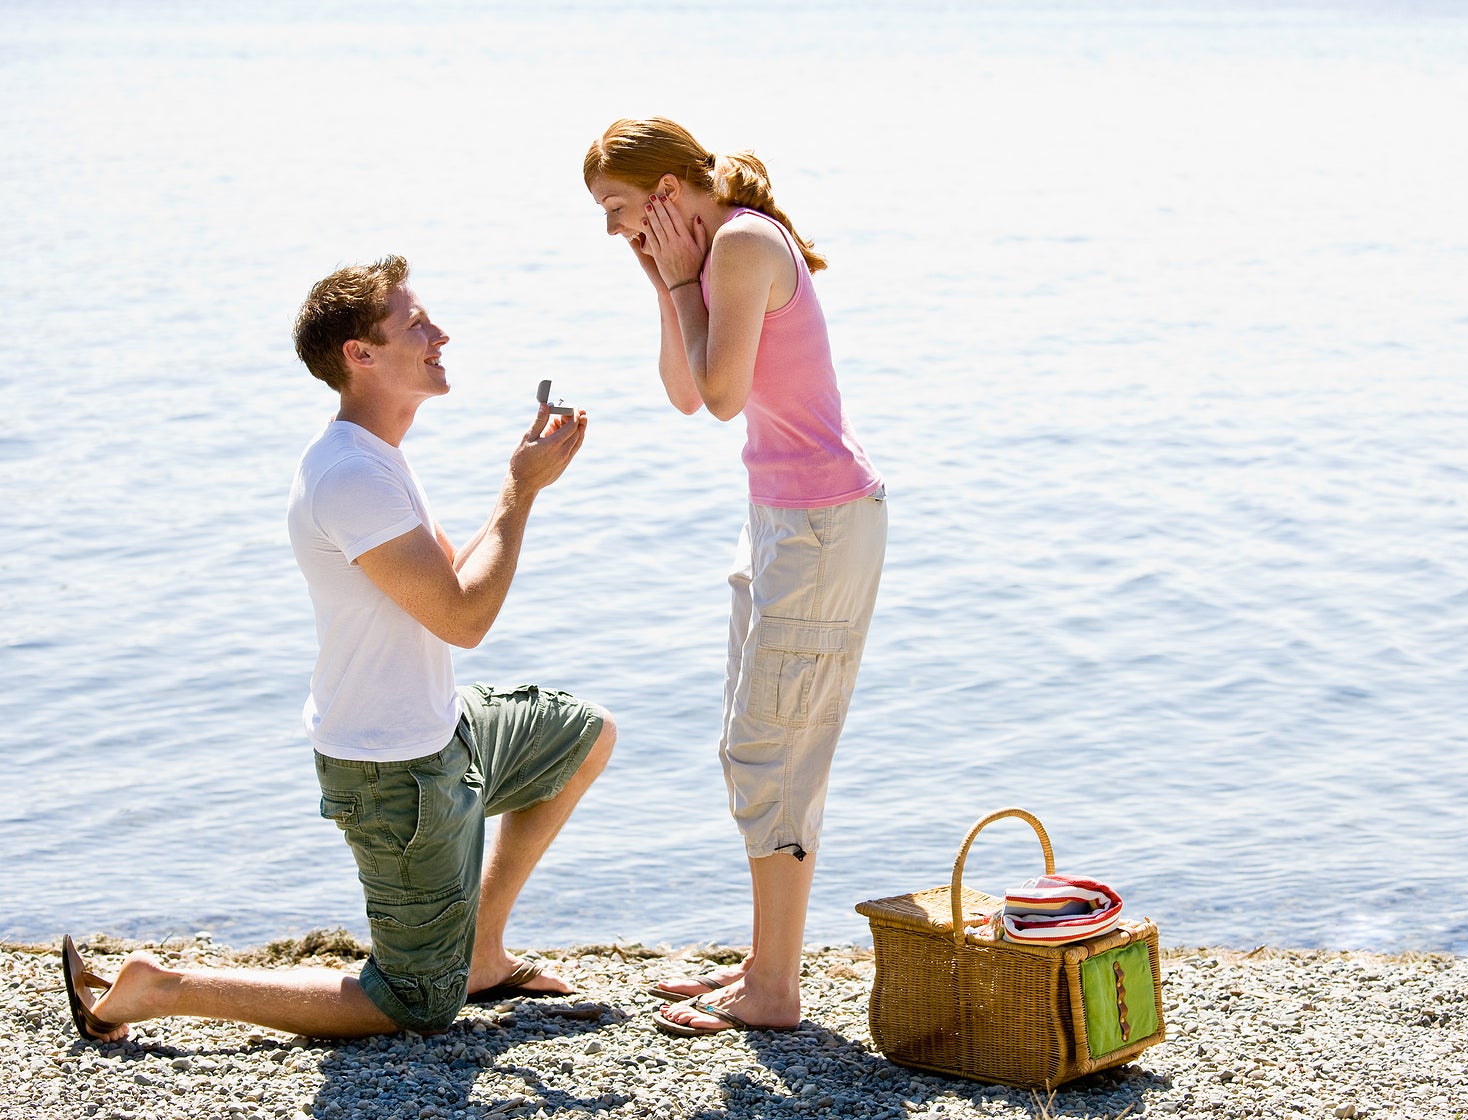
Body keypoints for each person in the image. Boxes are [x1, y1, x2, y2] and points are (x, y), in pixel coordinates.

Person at [61, 255, 615, 1043]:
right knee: (413, 1004)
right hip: (394, 773)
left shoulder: (377, 456)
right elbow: (463, 620)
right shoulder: (350, 476)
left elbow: (449, 582)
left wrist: (521, 482)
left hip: (440, 728)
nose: (440, 334)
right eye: (416, 324)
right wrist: (519, 493)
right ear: (360, 355)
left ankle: (480, 954)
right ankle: (161, 986)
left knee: (584, 733)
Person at [584, 118, 886, 1036]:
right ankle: (767, 967)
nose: (610, 229)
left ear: (670, 189)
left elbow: (719, 398)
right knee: (758, 742)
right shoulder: (714, 256)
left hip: (821, 527)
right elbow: (686, 391)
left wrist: (680, 277)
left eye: (619, 209)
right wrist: (662, 279)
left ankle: (774, 992)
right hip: (780, 522)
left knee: (771, 750)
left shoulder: (747, 242)